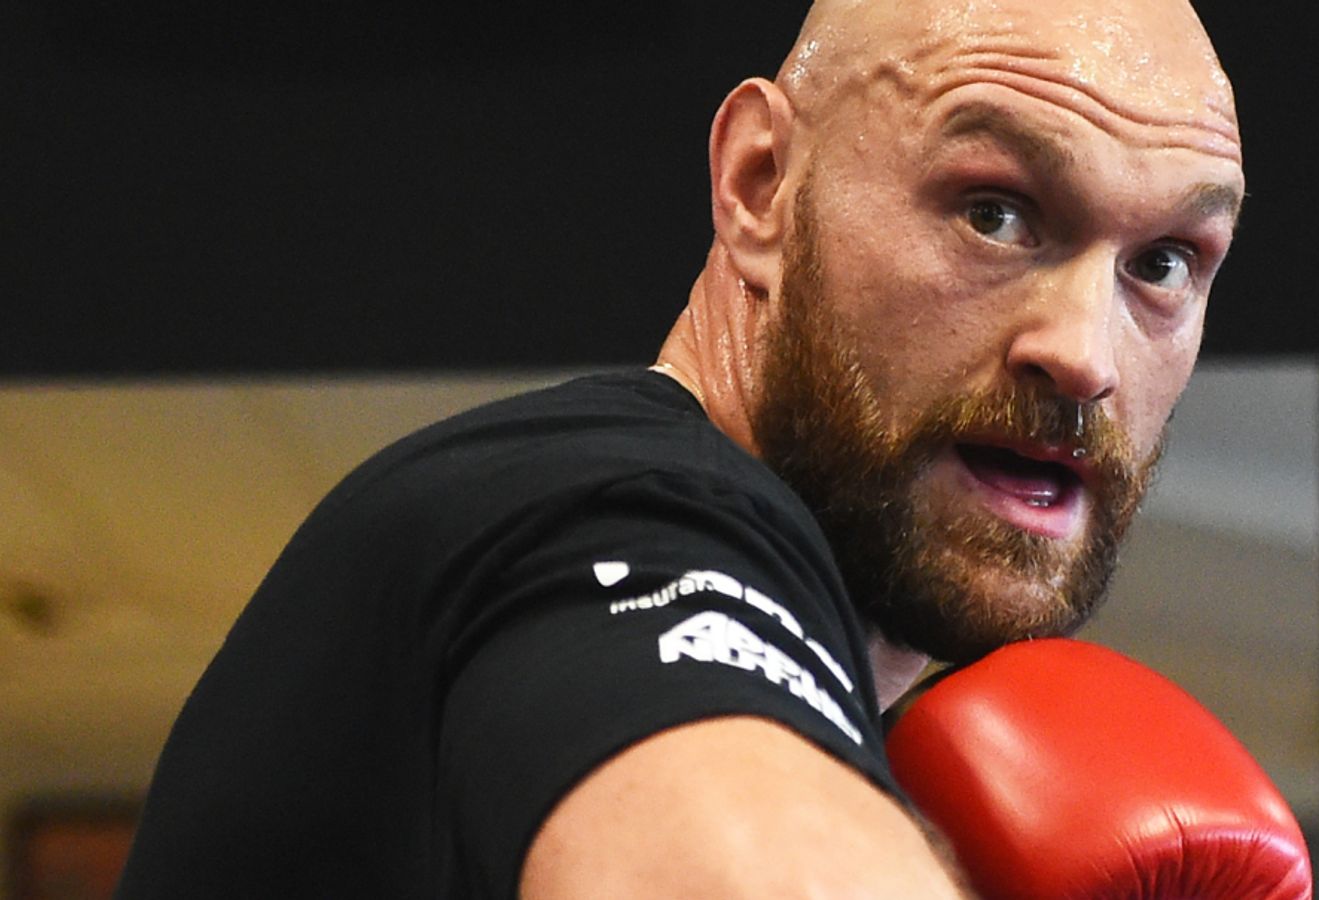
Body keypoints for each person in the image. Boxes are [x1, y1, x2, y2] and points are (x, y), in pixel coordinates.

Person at [116, 0, 1245, 897]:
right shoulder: (601, 507)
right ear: (761, 187)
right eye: (992, 212)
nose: (1082, 356)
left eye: (1162, 263)